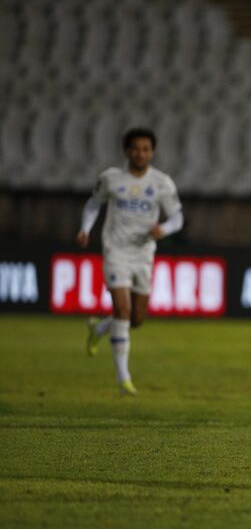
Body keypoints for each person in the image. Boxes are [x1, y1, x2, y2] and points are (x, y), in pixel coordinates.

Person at [77, 127, 184, 395]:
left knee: (136, 319)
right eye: (135, 148)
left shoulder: (162, 183)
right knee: (122, 310)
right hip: (116, 251)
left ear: (152, 152)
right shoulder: (111, 179)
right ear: (126, 151)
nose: (140, 153)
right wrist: (85, 229)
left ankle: (100, 327)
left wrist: (164, 229)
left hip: (144, 254)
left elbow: (177, 218)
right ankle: (123, 378)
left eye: (146, 149)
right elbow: (93, 204)